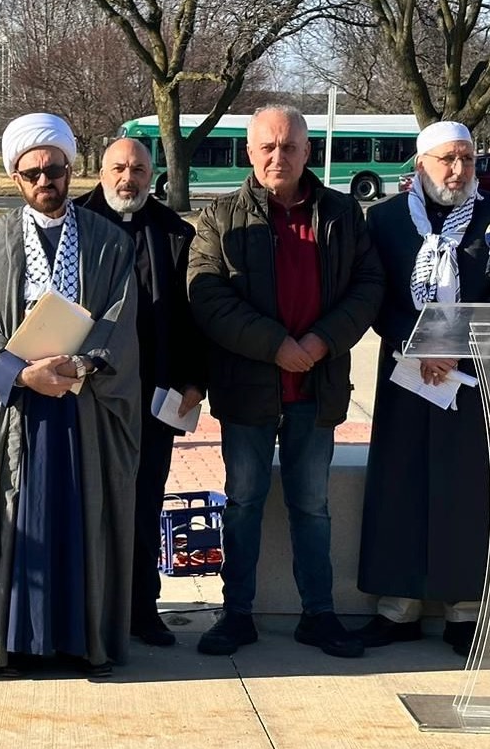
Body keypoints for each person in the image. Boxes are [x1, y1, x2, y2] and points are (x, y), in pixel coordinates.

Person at [0, 112, 141, 676]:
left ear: (70, 168)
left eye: (53, 169)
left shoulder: (108, 241)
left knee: (80, 520)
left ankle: (79, 642)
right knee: (19, 523)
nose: (44, 181)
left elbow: (118, 319)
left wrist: (79, 363)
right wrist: (19, 373)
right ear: (16, 178)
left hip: (83, 408)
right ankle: (19, 642)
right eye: (31, 173)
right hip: (16, 410)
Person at [187, 105, 384, 659]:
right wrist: (276, 345)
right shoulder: (220, 217)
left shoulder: (344, 215)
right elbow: (206, 294)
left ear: (306, 151)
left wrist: (320, 342)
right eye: (268, 147)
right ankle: (237, 614)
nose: (279, 156)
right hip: (248, 390)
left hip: (316, 391)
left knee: (312, 506)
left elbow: (368, 287)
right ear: (250, 153)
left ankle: (318, 616)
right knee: (243, 501)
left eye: (290, 146)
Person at [353, 122, 490, 656]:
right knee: (400, 482)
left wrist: (454, 344)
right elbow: (372, 295)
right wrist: (420, 343)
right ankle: (397, 607)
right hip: (407, 369)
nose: (458, 170)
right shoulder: (384, 220)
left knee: (466, 486)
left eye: (468, 160)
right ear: (420, 165)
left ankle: (464, 609)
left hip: (471, 376)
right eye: (447, 159)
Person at [71, 138, 206, 648]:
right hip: (86, 390)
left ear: (154, 174)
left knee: (144, 500)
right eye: (119, 168)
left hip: (153, 394)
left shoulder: (176, 234)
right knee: (86, 498)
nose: (129, 178)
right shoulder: (73, 222)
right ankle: (85, 603)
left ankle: (140, 607)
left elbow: (195, 315)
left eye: (140, 169)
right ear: (101, 171)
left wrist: (196, 380)